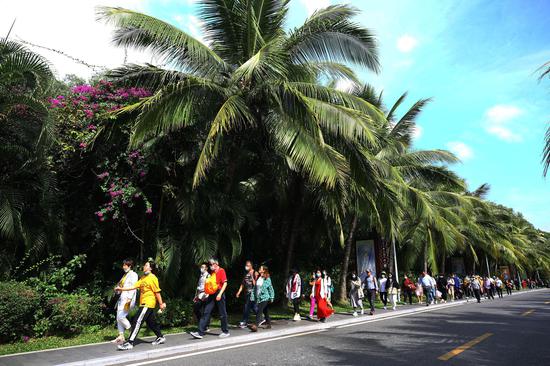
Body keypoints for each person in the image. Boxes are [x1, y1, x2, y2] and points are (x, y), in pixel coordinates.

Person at [116, 260, 166, 350]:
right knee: (151, 323)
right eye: (144, 265)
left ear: (151, 268)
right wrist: (121, 289)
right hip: (143, 303)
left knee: (137, 321)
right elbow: (133, 287)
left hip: (148, 303)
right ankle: (160, 337)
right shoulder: (143, 278)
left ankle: (130, 342)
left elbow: (157, 292)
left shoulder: (153, 278)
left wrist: (161, 304)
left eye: (146, 265)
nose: (144, 266)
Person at [191, 258, 230, 339]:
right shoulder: (212, 272)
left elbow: (225, 283)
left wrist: (219, 294)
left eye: (212, 264)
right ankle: (200, 332)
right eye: (210, 264)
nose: (211, 266)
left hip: (219, 292)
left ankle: (225, 331)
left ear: (217, 264)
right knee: (206, 312)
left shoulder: (221, 271)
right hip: (212, 294)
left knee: (222, 313)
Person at [111, 259, 138, 344]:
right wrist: (117, 290)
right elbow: (122, 287)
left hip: (128, 299)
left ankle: (132, 329)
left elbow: (133, 287)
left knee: (121, 317)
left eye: (125, 265)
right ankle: (121, 336)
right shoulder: (125, 275)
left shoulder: (133, 275)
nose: (123, 267)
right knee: (118, 318)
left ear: (130, 266)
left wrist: (129, 299)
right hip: (121, 299)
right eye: (123, 265)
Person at [249, 265, 275, 332]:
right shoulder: (259, 278)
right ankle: (269, 324)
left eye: (260, 268)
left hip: (265, 297)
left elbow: (270, 288)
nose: (259, 269)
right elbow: (255, 288)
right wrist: (253, 296)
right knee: (265, 311)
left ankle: (256, 325)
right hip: (259, 298)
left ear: (263, 270)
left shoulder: (267, 278)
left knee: (259, 310)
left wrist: (272, 297)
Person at [236, 260, 258, 328]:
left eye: (248, 265)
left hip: (253, 293)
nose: (246, 267)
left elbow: (256, 284)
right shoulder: (245, 274)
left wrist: (252, 277)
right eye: (246, 265)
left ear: (251, 266)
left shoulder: (255, 273)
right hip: (247, 293)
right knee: (254, 307)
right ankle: (261, 318)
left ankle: (244, 321)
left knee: (247, 307)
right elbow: (243, 284)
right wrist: (239, 292)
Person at [192, 262, 210, 328]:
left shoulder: (208, 276)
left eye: (203, 267)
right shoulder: (201, 275)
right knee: (196, 309)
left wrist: (206, 295)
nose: (201, 268)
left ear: (206, 268)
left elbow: (208, 286)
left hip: (205, 295)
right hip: (199, 294)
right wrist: (196, 296)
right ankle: (201, 323)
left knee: (205, 311)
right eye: (201, 267)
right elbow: (198, 286)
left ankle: (206, 326)